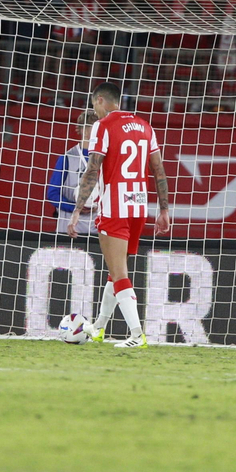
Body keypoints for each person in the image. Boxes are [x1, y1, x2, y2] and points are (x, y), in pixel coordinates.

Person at [67, 83, 173, 347]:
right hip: (138, 206)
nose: (94, 111)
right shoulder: (145, 126)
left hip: (114, 207)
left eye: (94, 105)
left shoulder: (103, 127)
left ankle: (137, 335)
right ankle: (99, 327)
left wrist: (77, 210)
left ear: (101, 100)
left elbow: (92, 171)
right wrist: (163, 209)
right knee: (115, 273)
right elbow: (158, 170)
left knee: (119, 273)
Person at [45, 110, 96, 235]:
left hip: (97, 229)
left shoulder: (105, 159)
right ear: (85, 131)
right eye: (97, 129)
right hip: (69, 230)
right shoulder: (67, 158)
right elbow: (52, 194)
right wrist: (76, 207)